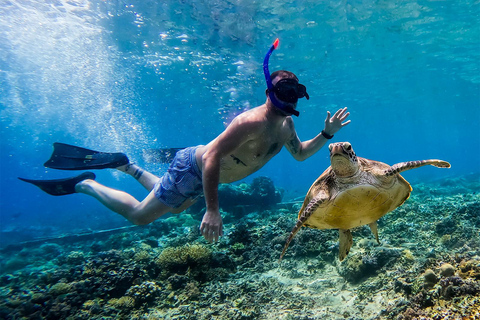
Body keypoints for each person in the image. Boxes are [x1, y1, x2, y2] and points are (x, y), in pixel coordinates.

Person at [20, 41, 350, 243]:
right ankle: (85, 184)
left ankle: (127, 166)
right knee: (140, 216)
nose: (287, 98)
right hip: (195, 168)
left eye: (293, 92)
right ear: (268, 92)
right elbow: (212, 159)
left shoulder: (286, 126)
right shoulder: (249, 122)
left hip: (199, 174)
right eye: (281, 91)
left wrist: (327, 134)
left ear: (298, 96)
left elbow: (302, 155)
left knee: (171, 204)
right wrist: (212, 209)